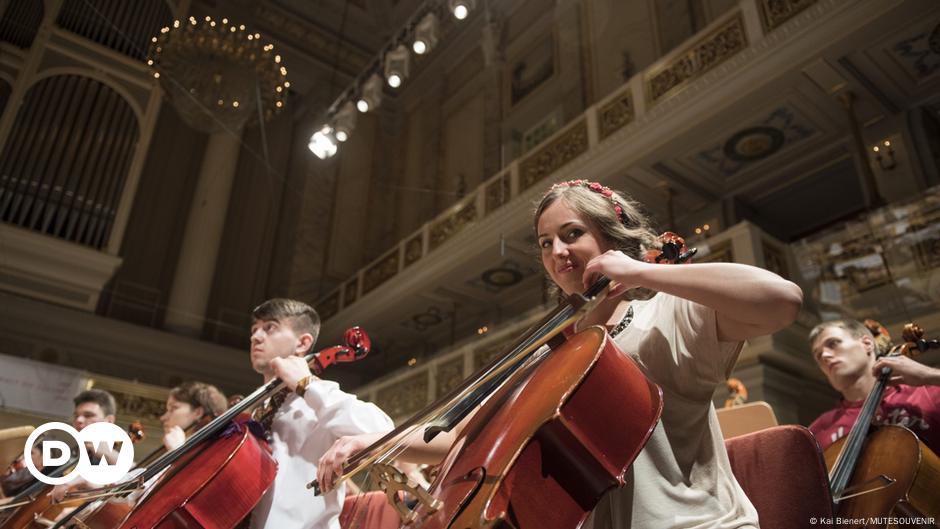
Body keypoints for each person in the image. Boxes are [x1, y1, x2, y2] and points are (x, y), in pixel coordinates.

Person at [317, 179, 803, 528]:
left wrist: (643, 273)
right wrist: (376, 445)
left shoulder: (669, 315)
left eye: (572, 234)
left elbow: (781, 300)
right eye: (545, 243)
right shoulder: (550, 353)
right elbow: (468, 438)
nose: (556, 251)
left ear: (612, 236)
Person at [249, 298, 394, 529]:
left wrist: (308, 385)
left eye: (270, 328)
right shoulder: (257, 411)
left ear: (302, 343)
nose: (256, 336)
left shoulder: (317, 397)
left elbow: (385, 432)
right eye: (254, 329)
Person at [807, 319, 940, 453]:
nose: (825, 355)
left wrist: (929, 375)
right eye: (818, 355)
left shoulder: (926, 394)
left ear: (867, 344)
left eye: (833, 343)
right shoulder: (818, 431)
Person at [49, 389, 119, 502]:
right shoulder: (70, 456)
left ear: (109, 421)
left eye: (88, 415)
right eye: (76, 415)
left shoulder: (113, 461)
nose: (79, 420)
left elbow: (136, 476)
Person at [159, 381, 228, 451]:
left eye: (173, 408)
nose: (163, 418)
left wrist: (176, 450)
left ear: (198, 413)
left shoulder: (211, 453)